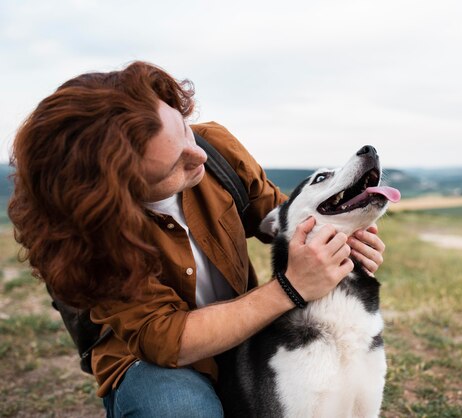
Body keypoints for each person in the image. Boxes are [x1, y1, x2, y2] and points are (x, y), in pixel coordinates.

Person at [8, 61, 386, 417]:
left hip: (245, 336)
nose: (198, 158)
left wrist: (341, 233)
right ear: (118, 190)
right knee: (179, 408)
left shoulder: (214, 149)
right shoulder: (87, 234)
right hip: (157, 363)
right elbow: (166, 338)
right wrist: (290, 288)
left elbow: (280, 215)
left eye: (185, 130)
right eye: (176, 164)